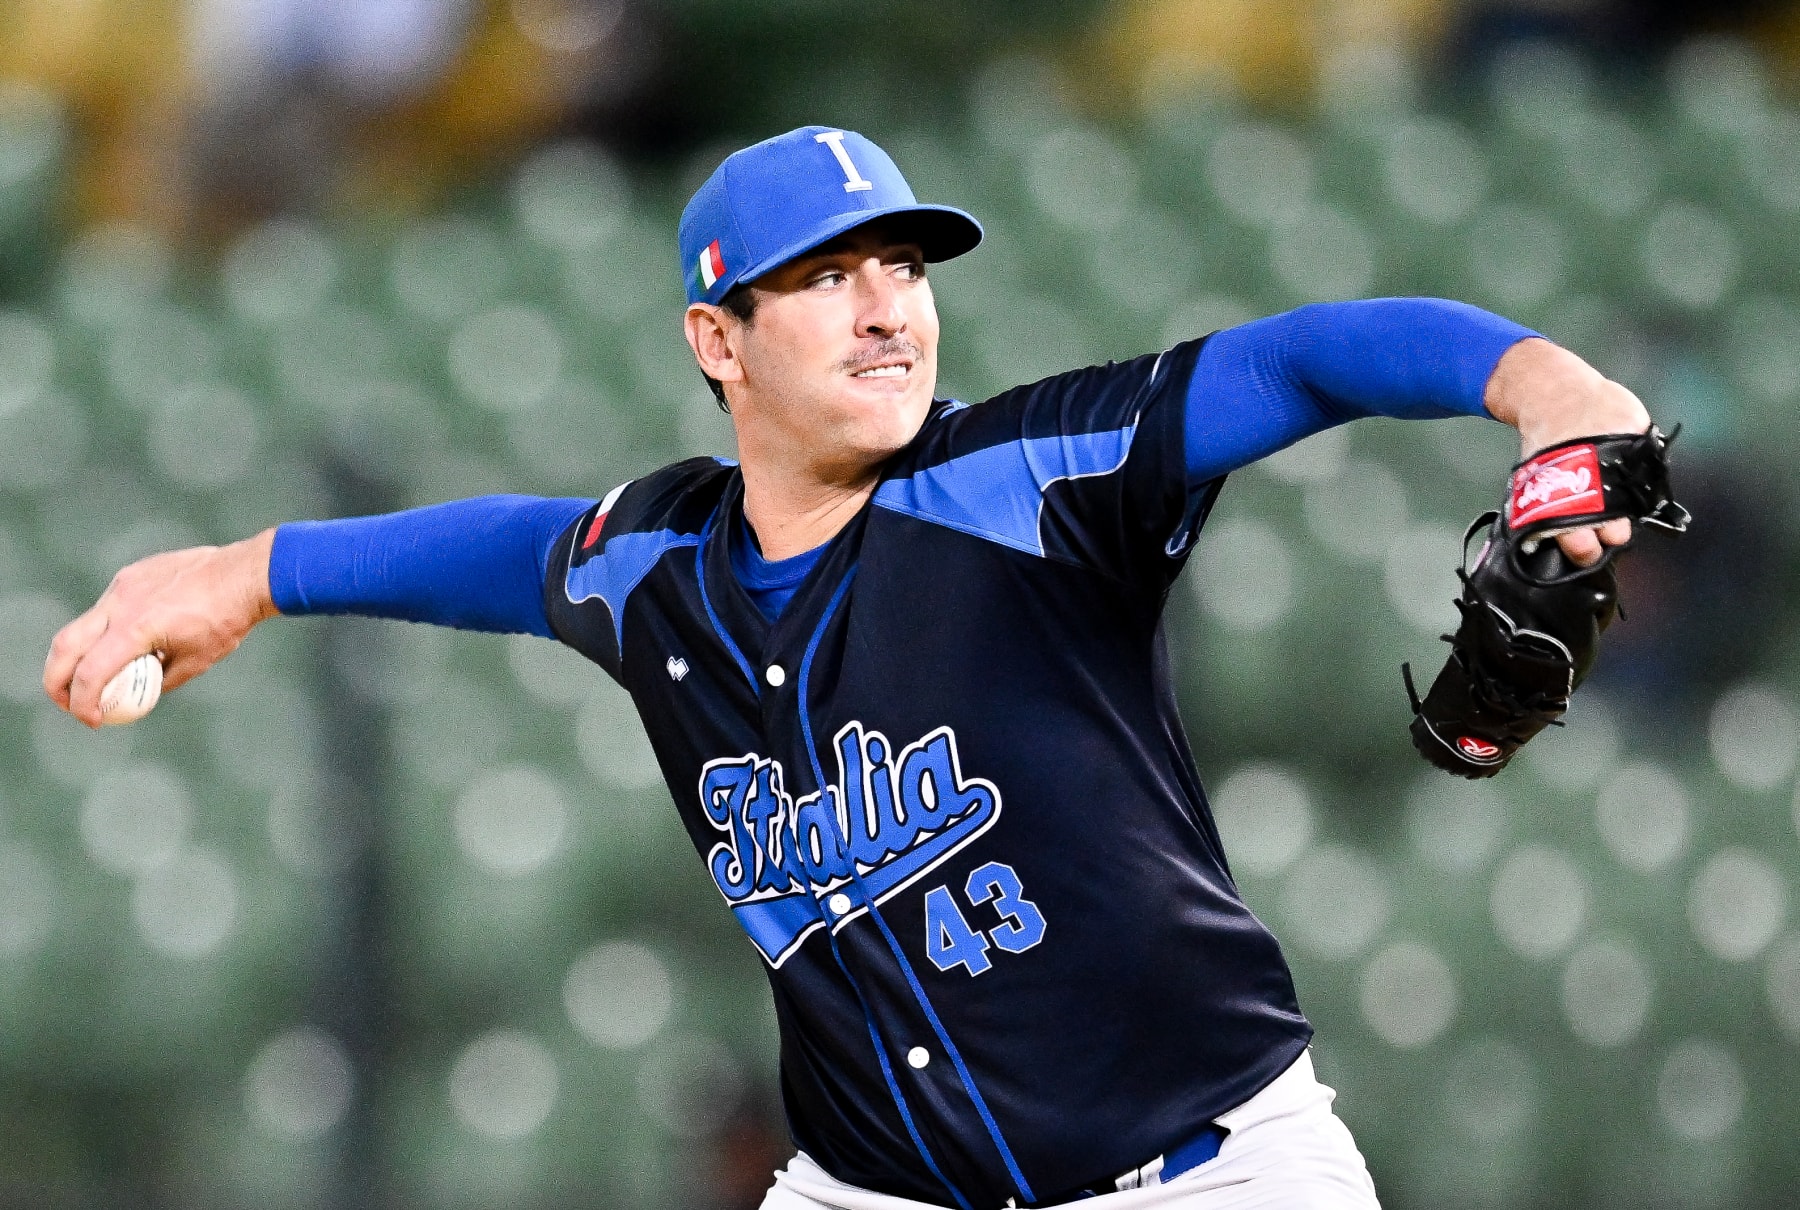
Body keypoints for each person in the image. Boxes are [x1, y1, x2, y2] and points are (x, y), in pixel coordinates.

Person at [46, 126, 1648, 1209]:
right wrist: (243, 571)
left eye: (906, 268)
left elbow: (1298, 359)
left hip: (1210, 1176)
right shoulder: (658, 567)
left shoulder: (1033, 478)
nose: (888, 310)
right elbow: (499, 551)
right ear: (716, 338)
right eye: (827, 275)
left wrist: (1543, 382)